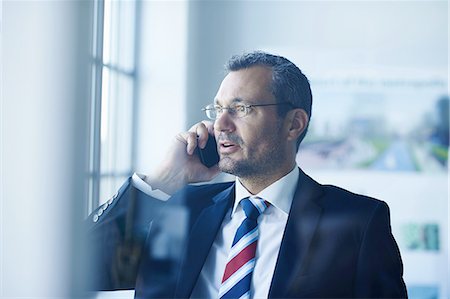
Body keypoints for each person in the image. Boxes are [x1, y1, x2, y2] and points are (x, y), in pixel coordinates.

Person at [86, 51, 407, 298]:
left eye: (241, 109)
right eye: (217, 110)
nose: (220, 125)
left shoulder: (358, 221)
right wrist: (162, 181)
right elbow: (85, 270)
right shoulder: (181, 208)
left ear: (294, 124)